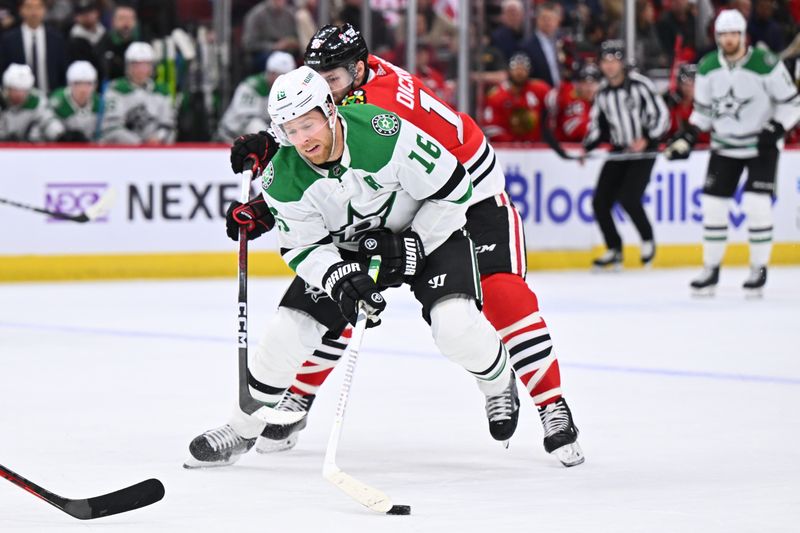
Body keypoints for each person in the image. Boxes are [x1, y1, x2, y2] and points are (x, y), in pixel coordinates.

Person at [224, 24, 584, 467]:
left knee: (502, 296)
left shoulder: (380, 112)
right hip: (405, 198)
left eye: (330, 80)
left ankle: (550, 404)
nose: (323, 87)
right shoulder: (357, 81)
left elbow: (367, 141)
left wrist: (265, 199)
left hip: (469, 194)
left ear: (357, 70)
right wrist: (274, 156)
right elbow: (320, 135)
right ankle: (298, 396)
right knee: (346, 287)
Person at [186, 65, 520, 469]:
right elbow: (302, 247)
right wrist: (338, 276)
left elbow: (454, 188)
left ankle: (498, 382)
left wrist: (416, 243)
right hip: (351, 249)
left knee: (455, 328)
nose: (302, 139)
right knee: (286, 332)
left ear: (330, 109)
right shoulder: (281, 178)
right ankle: (242, 429)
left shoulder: (384, 133)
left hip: (428, 232)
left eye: (307, 124)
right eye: (290, 130)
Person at [664, 9, 800, 296]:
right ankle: (711, 269)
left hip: (760, 145)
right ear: (717, 37)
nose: (728, 40)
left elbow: (792, 103)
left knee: (756, 205)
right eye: (723, 34)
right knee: (713, 208)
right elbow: (702, 114)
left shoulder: (765, 63)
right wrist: (686, 138)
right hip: (724, 146)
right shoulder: (707, 67)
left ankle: (757, 269)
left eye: (733, 34)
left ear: (743, 35)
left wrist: (776, 128)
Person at [580, 40, 670, 270]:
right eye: (605, 61)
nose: (609, 66)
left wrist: (647, 138)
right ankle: (614, 249)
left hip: (644, 150)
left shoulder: (641, 85)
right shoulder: (602, 93)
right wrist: (586, 147)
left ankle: (647, 239)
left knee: (629, 198)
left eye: (614, 60)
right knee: (600, 202)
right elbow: (597, 126)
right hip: (620, 151)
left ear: (622, 63)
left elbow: (662, 116)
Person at [100, 42, 176, 145]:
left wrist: (158, 137)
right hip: (122, 152)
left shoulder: (162, 91)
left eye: (146, 64)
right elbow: (110, 127)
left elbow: (169, 125)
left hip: (155, 152)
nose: (141, 69)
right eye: (136, 64)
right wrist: (139, 144)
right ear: (128, 66)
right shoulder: (116, 89)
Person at [215, 51, 296, 143]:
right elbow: (246, 119)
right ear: (272, 73)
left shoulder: (287, 89)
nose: (286, 80)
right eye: (282, 75)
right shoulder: (251, 86)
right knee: (257, 126)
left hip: (260, 133)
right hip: (232, 135)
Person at [0, 0, 68, 94]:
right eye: (29, 7)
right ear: (21, 10)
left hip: (51, 97)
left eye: (38, 7)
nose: (34, 12)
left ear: (44, 10)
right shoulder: (9, 40)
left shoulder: (56, 39)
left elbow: (62, 70)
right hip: (20, 99)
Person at [482, 53, 552, 142]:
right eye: (516, 69)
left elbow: (556, 105)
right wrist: (512, 142)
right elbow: (490, 127)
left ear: (529, 71)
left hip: (535, 147)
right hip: (507, 150)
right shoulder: (497, 95)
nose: (519, 72)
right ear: (508, 71)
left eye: (523, 69)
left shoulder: (540, 89)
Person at [0, 63, 62, 141]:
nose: (19, 94)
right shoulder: (2, 102)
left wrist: (58, 134)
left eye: (23, 90)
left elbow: (48, 121)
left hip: (31, 147)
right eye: (14, 89)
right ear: (7, 89)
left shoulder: (38, 101)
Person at [547, 61, 600, 143]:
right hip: (565, 151)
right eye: (585, 84)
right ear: (578, 85)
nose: (589, 88)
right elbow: (574, 129)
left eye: (593, 84)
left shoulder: (601, 102)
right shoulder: (574, 101)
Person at [49, 60, 100, 142]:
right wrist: (60, 134)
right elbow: (48, 122)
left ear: (95, 85)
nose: (83, 89)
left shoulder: (100, 103)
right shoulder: (58, 102)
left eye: (88, 83)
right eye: (78, 83)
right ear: (69, 84)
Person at [518, 2, 563, 87]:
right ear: (537, 20)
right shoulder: (527, 46)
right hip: (540, 93)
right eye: (544, 18)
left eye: (551, 18)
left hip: (562, 92)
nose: (548, 22)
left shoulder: (563, 42)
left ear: (558, 21)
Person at [665, 63, 709, 144]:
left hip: (702, 150)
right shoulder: (674, 106)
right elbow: (667, 132)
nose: (688, 88)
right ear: (680, 85)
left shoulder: (705, 107)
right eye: (685, 84)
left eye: (692, 84)